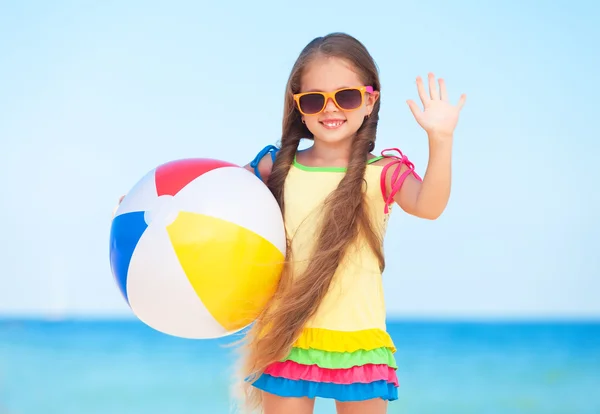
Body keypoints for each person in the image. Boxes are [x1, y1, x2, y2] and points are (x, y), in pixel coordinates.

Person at [235, 32, 466, 414]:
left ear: (369, 100)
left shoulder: (382, 173)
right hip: (286, 335)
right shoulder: (274, 166)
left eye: (346, 96)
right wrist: (155, 206)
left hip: (357, 341)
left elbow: (430, 206)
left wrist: (440, 140)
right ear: (299, 107)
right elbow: (214, 194)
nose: (331, 110)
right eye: (314, 99)